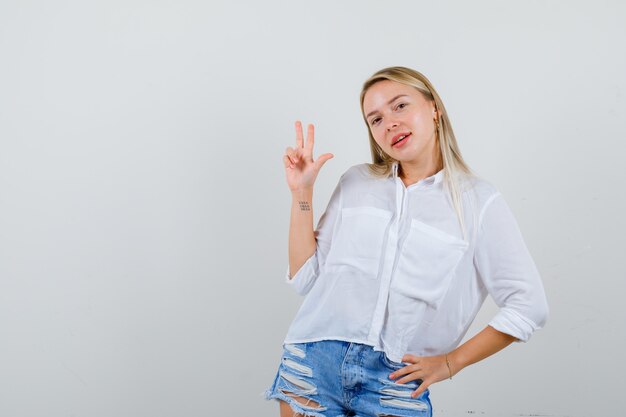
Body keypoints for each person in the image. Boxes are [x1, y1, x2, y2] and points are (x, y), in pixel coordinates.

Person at [265, 66, 549, 417]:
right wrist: (302, 193)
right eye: (376, 119)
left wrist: (450, 363)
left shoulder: (478, 202)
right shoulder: (357, 182)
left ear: (434, 108)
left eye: (400, 106)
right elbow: (305, 277)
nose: (390, 123)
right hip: (313, 364)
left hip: (395, 380)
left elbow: (529, 305)